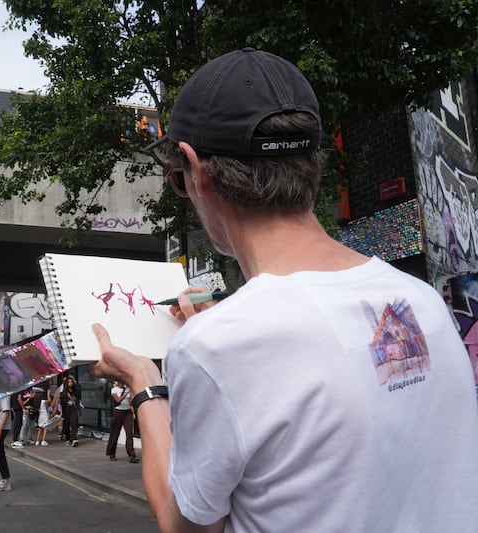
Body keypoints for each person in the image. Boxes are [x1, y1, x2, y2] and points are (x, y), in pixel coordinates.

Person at [91, 48, 478, 532]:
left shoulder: (216, 345)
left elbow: (183, 524)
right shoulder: (421, 301)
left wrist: (146, 384)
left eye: (177, 180)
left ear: (196, 169)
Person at [105, 380, 138, 463]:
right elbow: (118, 400)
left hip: (127, 412)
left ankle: (132, 455)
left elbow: (131, 401)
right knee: (115, 433)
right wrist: (126, 394)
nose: (123, 383)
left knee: (129, 433)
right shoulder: (114, 390)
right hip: (118, 412)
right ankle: (112, 453)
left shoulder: (128, 389)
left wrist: (131, 398)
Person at [55, 374, 81, 447]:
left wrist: (79, 410)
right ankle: (68, 438)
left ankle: (74, 439)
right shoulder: (63, 394)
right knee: (66, 425)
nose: (70, 383)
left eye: (71, 382)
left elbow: (78, 401)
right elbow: (62, 404)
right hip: (66, 410)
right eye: (69, 382)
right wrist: (61, 413)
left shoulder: (76, 391)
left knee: (74, 423)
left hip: (74, 409)